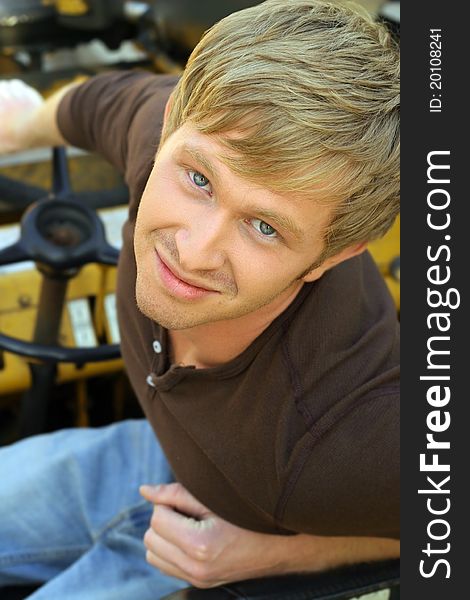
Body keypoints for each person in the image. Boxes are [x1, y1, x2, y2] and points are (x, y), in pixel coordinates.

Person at [0, 0, 400, 598]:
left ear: (331, 257)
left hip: (241, 533)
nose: (193, 251)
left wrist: (279, 555)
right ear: (167, 133)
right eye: (200, 181)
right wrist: (20, 125)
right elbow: (94, 102)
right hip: (151, 457)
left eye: (265, 227)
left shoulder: (346, 445)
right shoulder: (174, 129)